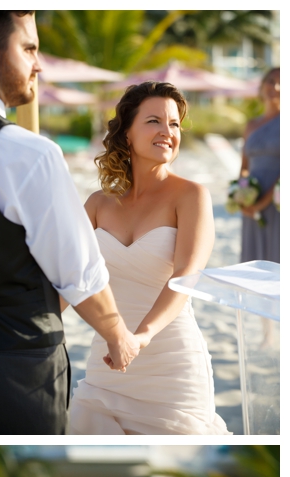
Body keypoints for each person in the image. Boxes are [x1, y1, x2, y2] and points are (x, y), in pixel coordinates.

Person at [0, 11, 140, 435]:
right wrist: (117, 333)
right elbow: (77, 270)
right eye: (28, 48)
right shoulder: (30, 154)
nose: (38, 65)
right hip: (25, 365)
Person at [69, 83, 227, 436]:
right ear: (127, 133)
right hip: (108, 363)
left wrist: (140, 337)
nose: (166, 132)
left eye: (174, 124)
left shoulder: (191, 195)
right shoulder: (97, 204)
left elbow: (187, 276)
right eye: (154, 121)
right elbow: (70, 277)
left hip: (170, 361)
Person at [239, 67, 279, 265]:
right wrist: (241, 195)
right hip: (251, 201)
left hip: (279, 201)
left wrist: (264, 201)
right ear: (262, 86)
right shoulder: (251, 125)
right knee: (252, 261)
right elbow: (244, 166)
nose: (276, 86)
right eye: (271, 81)